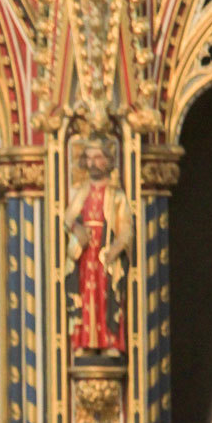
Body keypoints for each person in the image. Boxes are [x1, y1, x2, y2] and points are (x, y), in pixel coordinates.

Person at [64, 137, 133, 357]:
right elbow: (67, 219)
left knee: (107, 297)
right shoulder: (81, 192)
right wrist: (76, 230)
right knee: (85, 297)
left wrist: (115, 249)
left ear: (107, 161)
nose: (93, 163)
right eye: (89, 158)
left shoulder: (116, 195)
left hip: (105, 255)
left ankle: (110, 342)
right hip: (85, 255)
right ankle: (85, 342)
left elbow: (126, 229)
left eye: (98, 158)